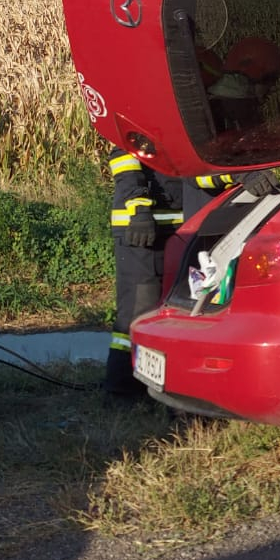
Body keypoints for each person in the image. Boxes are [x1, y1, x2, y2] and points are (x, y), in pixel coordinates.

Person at [104, 147, 184, 396]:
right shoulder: (140, 122)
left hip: (179, 228)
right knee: (137, 311)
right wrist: (138, 208)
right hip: (139, 229)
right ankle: (122, 388)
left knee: (172, 313)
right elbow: (123, 159)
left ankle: (158, 382)